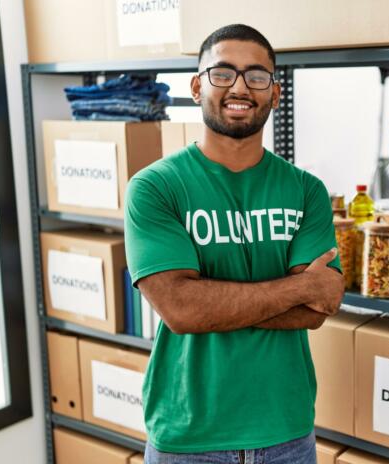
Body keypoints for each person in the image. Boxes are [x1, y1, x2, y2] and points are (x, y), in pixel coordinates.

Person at [124, 24, 345, 464]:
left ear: (275, 93)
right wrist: (298, 287)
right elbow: (182, 310)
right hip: (189, 436)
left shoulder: (306, 191)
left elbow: (319, 310)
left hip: (287, 433)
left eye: (257, 76)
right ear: (196, 85)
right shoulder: (154, 187)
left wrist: (215, 300)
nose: (240, 87)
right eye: (222, 73)